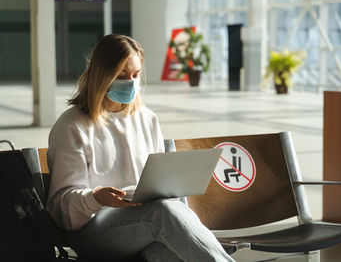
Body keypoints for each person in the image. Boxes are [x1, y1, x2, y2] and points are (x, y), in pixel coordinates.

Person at [46, 34, 235, 262]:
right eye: (122, 76)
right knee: (163, 213)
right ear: (102, 76)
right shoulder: (72, 126)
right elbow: (61, 206)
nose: (132, 82)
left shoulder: (147, 119)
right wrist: (96, 198)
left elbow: (164, 184)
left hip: (146, 226)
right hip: (93, 230)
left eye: (136, 75)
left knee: (167, 253)